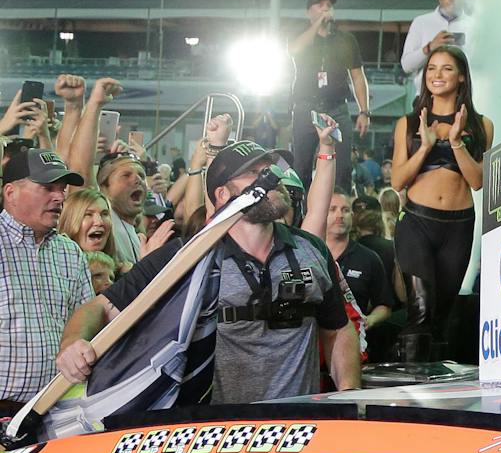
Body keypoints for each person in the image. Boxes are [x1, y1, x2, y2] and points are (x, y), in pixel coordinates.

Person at [59, 139, 359, 405]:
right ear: (222, 194)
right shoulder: (187, 256)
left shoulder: (310, 250)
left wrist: (349, 394)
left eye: (271, 169)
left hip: (295, 430)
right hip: (216, 438)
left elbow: (337, 328)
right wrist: (73, 345)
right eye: (255, 173)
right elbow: (100, 307)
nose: (273, 178)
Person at [389, 44, 490, 358]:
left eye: (447, 68)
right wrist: (425, 146)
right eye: (432, 68)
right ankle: (410, 389)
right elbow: (397, 181)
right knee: (420, 312)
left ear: (461, 77)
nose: (437, 75)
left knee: (442, 315)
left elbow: (477, 181)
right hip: (417, 222)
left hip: (458, 226)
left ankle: (435, 391)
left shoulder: (480, 124)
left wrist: (456, 142)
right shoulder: (408, 123)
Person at [0, 142, 93, 418]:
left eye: (62, 188)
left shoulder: (69, 252)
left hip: (56, 414)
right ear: (10, 192)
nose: (59, 197)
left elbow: (86, 320)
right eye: (47, 188)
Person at [289, 0, 370, 195]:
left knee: (343, 166)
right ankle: (300, 215)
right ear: (309, 12)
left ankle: (339, 211)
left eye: (329, 5)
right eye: (320, 5)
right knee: (302, 166)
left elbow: (358, 76)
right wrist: (317, 24)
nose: (326, 8)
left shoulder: (345, 39)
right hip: (305, 107)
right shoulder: (300, 35)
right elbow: (294, 50)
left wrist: (364, 111)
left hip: (337, 108)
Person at [315, 188, 393, 344]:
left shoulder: (369, 258)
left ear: (352, 216)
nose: (340, 215)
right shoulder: (310, 254)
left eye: (345, 210)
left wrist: (369, 320)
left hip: (353, 344)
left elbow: (384, 305)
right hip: (314, 346)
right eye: (333, 209)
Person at [399, 0, 468, 77]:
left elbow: (487, 65)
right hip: (427, 92)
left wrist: (463, 53)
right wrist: (430, 47)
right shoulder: (421, 22)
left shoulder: (475, 24)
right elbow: (406, 65)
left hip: (465, 92)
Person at [96, 150, 148, 266]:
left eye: (142, 175)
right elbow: (82, 168)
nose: (138, 180)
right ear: (104, 187)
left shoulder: (138, 234)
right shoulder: (104, 221)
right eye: (126, 175)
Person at [59, 187, 115, 263]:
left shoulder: (121, 272)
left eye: (104, 214)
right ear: (70, 222)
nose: (99, 222)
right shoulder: (58, 270)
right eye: (88, 214)